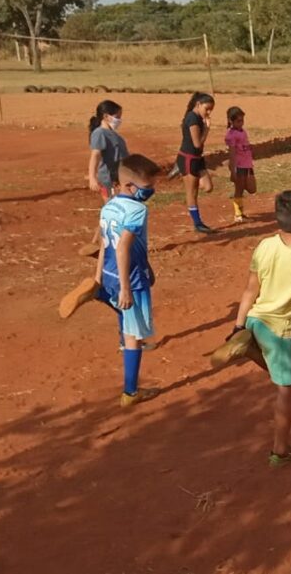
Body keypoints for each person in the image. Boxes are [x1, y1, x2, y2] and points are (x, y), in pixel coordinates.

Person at [228, 190, 291, 467]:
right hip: (283, 331)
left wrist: (238, 325)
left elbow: (250, 289)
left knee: (277, 367)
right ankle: (280, 450)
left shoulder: (265, 245)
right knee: (287, 390)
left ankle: (246, 343)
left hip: (254, 320)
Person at [95, 154, 163, 407]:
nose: (151, 191)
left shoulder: (109, 205)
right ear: (130, 186)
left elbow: (104, 242)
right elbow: (123, 248)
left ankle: (99, 293)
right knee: (134, 335)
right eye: (148, 188)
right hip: (131, 279)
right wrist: (126, 288)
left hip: (110, 273)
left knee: (123, 312)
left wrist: (97, 276)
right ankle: (131, 392)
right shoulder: (137, 210)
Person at [177, 92, 215, 233]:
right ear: (198, 105)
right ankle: (197, 223)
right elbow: (197, 144)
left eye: (211, 109)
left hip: (198, 159)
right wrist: (207, 129)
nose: (209, 112)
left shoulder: (198, 117)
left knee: (208, 187)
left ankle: (184, 175)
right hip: (189, 159)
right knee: (192, 193)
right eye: (207, 109)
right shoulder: (192, 119)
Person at [88, 100, 128, 203]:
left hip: (119, 177)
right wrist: (92, 177)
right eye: (117, 117)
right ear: (106, 116)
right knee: (113, 205)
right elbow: (95, 155)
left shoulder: (113, 134)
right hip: (109, 179)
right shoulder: (100, 133)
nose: (119, 120)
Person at [225, 106, 256, 223]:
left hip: (248, 165)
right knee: (239, 189)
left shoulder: (243, 132)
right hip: (239, 166)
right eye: (238, 121)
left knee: (252, 189)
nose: (241, 123)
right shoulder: (231, 135)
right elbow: (232, 154)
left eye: (242, 120)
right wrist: (233, 170)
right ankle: (238, 214)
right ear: (231, 121)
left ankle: (240, 211)